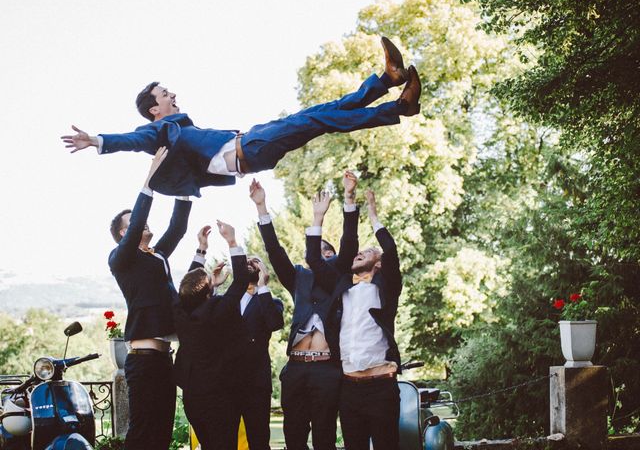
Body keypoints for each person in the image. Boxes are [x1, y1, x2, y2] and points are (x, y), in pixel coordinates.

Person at [61, 37, 421, 197]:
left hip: (252, 138)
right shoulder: (159, 132)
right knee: (317, 121)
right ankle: (398, 107)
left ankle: (386, 81)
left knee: (319, 113)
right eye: (164, 94)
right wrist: (97, 140)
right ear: (154, 109)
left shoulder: (182, 127)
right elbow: (133, 140)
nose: (171, 94)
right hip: (249, 149)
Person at [249, 172, 358, 450]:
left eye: (326, 251)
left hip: (327, 368)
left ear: (334, 258)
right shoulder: (298, 277)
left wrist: (348, 200)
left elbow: (349, 242)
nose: (321, 254)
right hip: (296, 368)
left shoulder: (339, 278)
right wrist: (261, 207)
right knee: (294, 437)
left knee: (324, 438)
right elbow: (275, 252)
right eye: (316, 251)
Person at [306, 190, 403, 450]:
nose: (361, 252)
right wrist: (319, 216)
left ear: (379, 264)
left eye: (369, 251)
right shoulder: (341, 286)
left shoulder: (387, 288)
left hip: (382, 386)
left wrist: (372, 213)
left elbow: (390, 250)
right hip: (349, 389)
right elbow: (314, 260)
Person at [107, 147, 191, 450]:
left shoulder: (157, 256)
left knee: (162, 433)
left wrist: (185, 188)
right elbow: (138, 218)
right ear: (123, 234)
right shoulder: (121, 258)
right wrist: (150, 179)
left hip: (164, 359)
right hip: (141, 362)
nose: (142, 223)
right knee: (142, 432)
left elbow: (178, 228)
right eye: (134, 222)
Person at [172, 220, 251, 450]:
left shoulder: (180, 314)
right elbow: (241, 282)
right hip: (222, 397)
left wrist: (201, 250)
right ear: (208, 292)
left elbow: (185, 290)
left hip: (193, 398)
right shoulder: (219, 309)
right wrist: (232, 241)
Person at [232, 256, 284, 450]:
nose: (250, 262)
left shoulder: (271, 301)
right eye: (247, 261)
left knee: (259, 439)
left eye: (255, 261)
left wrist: (263, 287)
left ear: (262, 270)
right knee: (224, 438)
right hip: (227, 381)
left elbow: (274, 323)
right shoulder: (228, 299)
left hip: (256, 382)